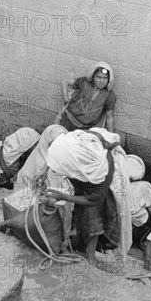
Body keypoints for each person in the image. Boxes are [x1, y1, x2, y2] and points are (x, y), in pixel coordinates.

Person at [44, 129, 121, 268]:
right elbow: (55, 151)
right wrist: (44, 172)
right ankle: (78, 234)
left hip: (97, 195)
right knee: (81, 210)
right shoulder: (76, 142)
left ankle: (91, 256)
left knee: (92, 215)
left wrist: (62, 196)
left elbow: (92, 200)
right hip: (86, 184)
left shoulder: (100, 172)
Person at [58, 61, 116, 132]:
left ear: (109, 79)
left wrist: (112, 137)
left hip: (84, 129)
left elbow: (109, 117)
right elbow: (65, 82)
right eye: (98, 77)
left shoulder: (109, 95)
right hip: (67, 120)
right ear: (93, 76)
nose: (101, 81)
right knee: (59, 140)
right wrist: (66, 99)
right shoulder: (84, 83)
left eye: (105, 78)